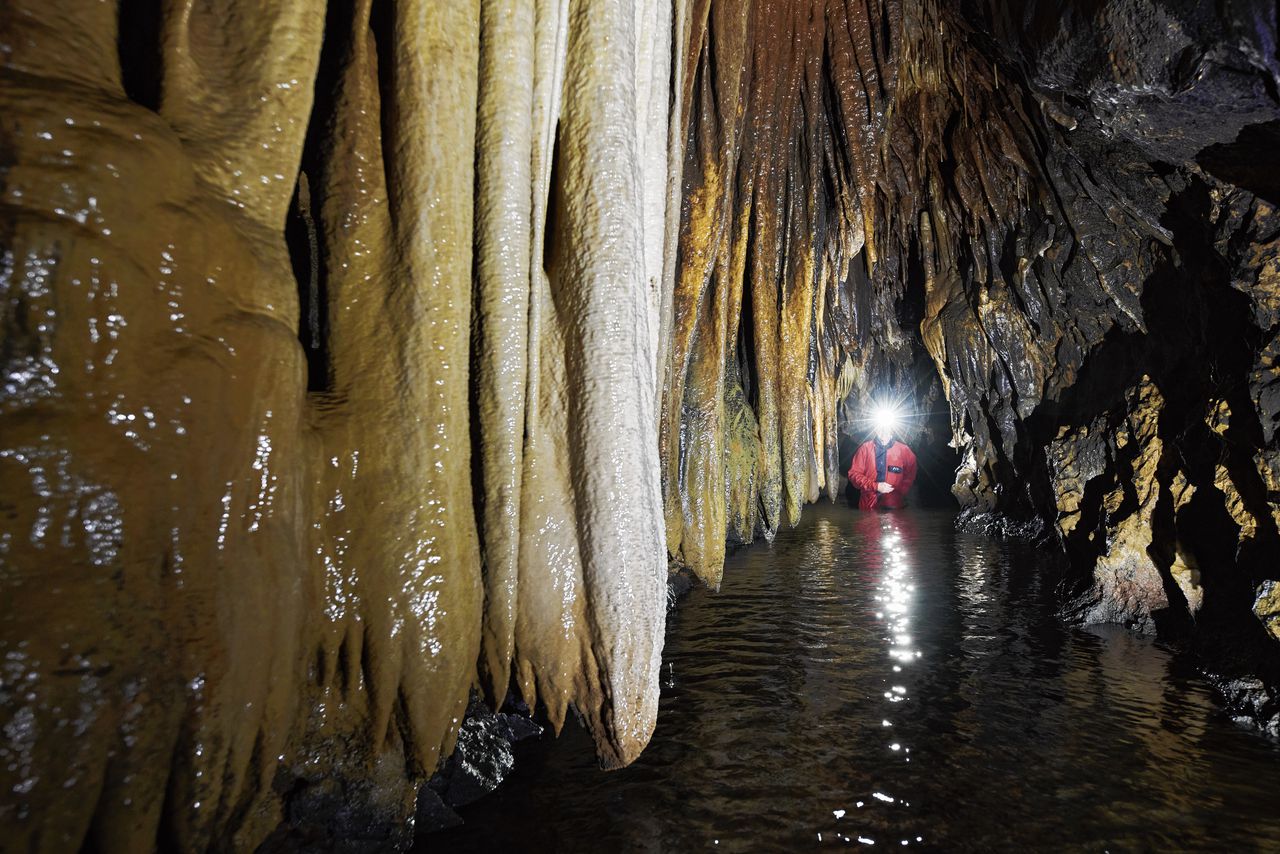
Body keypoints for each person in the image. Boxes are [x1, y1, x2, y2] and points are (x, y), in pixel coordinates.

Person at [848, 420, 917, 510]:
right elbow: (854, 474)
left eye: (886, 428)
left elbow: (911, 473)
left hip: (894, 507)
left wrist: (901, 491)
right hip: (868, 506)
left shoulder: (904, 450)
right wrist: (875, 486)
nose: (883, 431)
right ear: (875, 429)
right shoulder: (865, 448)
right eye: (880, 427)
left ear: (892, 429)